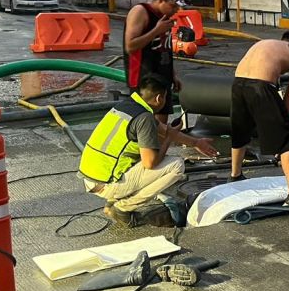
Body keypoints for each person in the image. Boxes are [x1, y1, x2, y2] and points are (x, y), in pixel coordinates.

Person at [79, 74, 218, 226]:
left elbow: (163, 130)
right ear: (159, 99)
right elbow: (150, 163)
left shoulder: (128, 106)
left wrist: (196, 142)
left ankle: (112, 202)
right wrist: (169, 138)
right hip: (106, 184)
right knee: (176, 165)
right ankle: (123, 208)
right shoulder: (144, 118)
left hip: (93, 179)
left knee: (142, 151)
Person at [229, 30, 289, 208]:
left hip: (237, 83)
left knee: (241, 130)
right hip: (260, 85)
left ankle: (235, 175)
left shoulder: (267, 43)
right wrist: (282, 122)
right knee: (286, 139)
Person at [124, 0, 182, 122]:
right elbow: (130, 46)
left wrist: (172, 74)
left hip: (163, 76)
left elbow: (164, 48)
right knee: (146, 122)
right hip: (144, 78)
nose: (176, 10)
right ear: (161, 0)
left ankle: (160, 144)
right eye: (173, 6)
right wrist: (156, 30)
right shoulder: (140, 11)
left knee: (162, 122)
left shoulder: (164, 17)